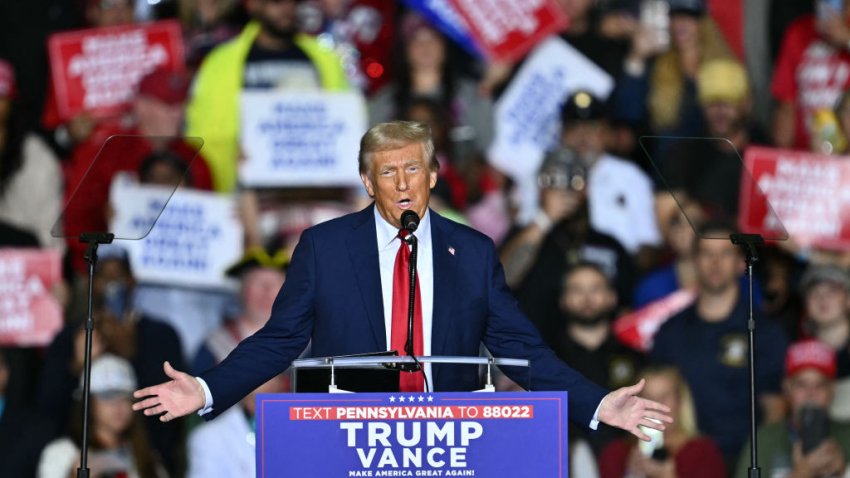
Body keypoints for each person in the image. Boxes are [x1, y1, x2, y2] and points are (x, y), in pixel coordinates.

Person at [133, 120, 672, 443]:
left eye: (413, 169)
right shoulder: (325, 248)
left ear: (434, 174)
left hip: (448, 444)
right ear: (367, 182)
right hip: (350, 441)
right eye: (388, 173)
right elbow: (280, 341)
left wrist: (602, 405)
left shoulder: (473, 252)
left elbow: (524, 355)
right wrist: (206, 388)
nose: (403, 183)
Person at [651, 221, 788, 469]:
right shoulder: (670, 332)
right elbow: (654, 402)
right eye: (706, 254)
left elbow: (775, 409)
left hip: (746, 461)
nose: (715, 263)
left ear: (739, 263)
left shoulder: (765, 331)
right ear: (693, 263)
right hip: (684, 461)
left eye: (725, 254)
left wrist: (761, 463)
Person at [37, 250, 185, 475]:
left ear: (132, 281)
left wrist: (132, 355)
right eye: (103, 275)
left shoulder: (161, 336)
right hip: (80, 450)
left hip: (142, 454)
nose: (112, 284)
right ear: (90, 283)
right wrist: (78, 367)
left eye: (119, 275)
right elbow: (46, 412)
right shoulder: (69, 337)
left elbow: (170, 417)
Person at [185, 0, 349, 193]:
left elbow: (345, 125)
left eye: (292, 3)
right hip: (244, 193)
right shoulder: (220, 63)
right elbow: (200, 131)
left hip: (312, 191)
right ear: (253, 5)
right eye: (276, 2)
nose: (287, 8)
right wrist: (231, 155)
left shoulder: (324, 59)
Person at [551, 262, 646, 455]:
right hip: (561, 461)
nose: (587, 298)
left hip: (625, 463)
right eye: (577, 290)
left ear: (612, 297)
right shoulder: (547, 360)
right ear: (562, 300)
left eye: (595, 289)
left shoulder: (636, 357)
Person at [38, 354, 167, 478]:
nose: (118, 406)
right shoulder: (61, 454)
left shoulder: (146, 456)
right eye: (107, 396)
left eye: (126, 397)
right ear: (89, 403)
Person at [734, 340, 850, 478]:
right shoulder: (764, 440)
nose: (811, 394)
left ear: (832, 390)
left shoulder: (847, 436)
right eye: (801, 385)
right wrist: (800, 473)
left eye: (820, 385)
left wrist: (844, 472)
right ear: (787, 387)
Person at [599, 365, 727, 478]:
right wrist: (631, 474)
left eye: (664, 396)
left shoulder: (704, 454)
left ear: (680, 401)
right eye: (648, 397)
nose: (656, 403)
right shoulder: (617, 453)